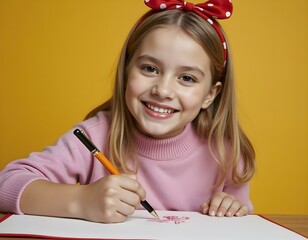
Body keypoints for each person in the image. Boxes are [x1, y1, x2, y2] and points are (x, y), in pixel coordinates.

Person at [0, 0, 255, 223]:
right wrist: (81, 201)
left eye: (187, 78)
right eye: (149, 69)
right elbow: (6, 185)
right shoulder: (93, 137)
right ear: (126, 71)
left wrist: (232, 208)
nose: (163, 90)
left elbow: (238, 218)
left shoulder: (225, 153)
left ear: (210, 94)